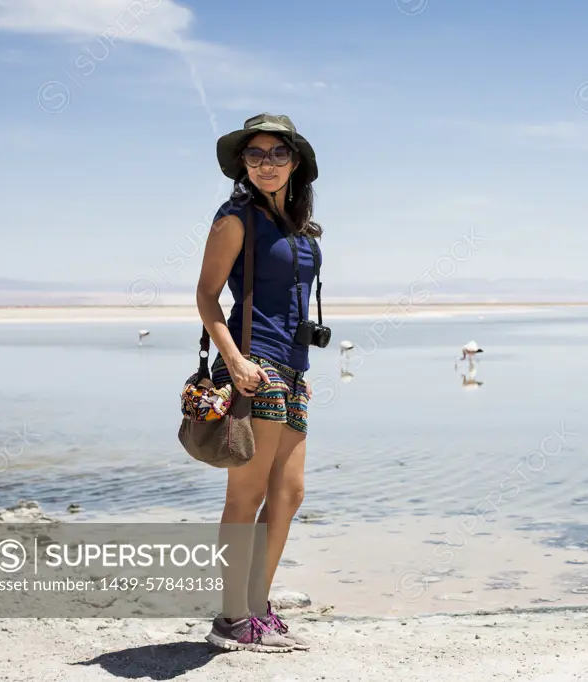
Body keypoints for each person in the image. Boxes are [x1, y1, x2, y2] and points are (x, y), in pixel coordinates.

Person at [196, 113, 322, 653]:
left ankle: (257, 606)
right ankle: (231, 617)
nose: (266, 163)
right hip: (254, 366)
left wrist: (300, 372)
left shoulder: (300, 227)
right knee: (245, 497)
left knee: (289, 493)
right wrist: (237, 363)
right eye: (255, 155)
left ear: (295, 163)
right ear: (243, 164)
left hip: (292, 372)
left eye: (277, 153)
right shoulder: (235, 218)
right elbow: (206, 296)